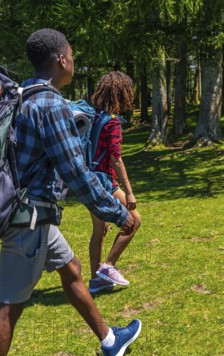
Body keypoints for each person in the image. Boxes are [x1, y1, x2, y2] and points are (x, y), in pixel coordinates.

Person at [0, 29, 141, 356]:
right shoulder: (50, 105)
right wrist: (117, 212)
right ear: (61, 59)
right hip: (28, 219)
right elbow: (75, 172)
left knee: (72, 270)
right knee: (8, 306)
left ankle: (110, 341)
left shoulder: (21, 96)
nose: (74, 61)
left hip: (34, 214)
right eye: (72, 55)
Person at [87, 72, 142, 294]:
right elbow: (116, 159)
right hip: (105, 182)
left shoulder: (91, 116)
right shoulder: (112, 123)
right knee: (134, 221)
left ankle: (95, 281)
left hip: (88, 180)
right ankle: (108, 267)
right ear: (122, 94)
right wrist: (129, 192)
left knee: (99, 230)